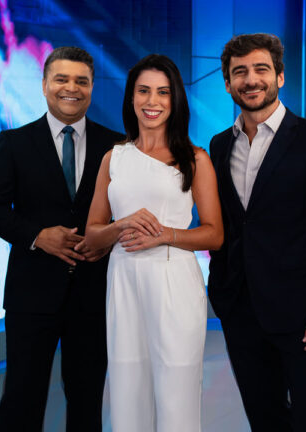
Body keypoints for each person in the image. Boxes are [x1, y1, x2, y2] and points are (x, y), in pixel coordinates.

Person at [207, 33, 306, 431]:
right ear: (227, 83)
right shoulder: (219, 145)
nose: (250, 80)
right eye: (239, 72)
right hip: (239, 309)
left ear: (280, 76)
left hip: (303, 314)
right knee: (264, 418)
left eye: (261, 69)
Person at [0, 46, 124, 431]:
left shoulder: (119, 146)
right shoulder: (15, 142)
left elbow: (125, 211)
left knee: (87, 399)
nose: (71, 88)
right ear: (45, 85)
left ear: (92, 87)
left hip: (94, 295)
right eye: (61, 79)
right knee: (22, 399)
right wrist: (37, 236)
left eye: (81, 81)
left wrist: (107, 237)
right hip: (31, 295)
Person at [84, 54, 223, 432]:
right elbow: (92, 235)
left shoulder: (195, 160)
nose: (153, 101)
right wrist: (121, 225)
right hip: (124, 279)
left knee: (176, 388)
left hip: (173, 281)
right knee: (127, 388)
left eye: (163, 92)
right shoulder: (113, 158)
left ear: (175, 100)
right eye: (144, 91)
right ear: (131, 98)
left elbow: (214, 233)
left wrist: (167, 234)